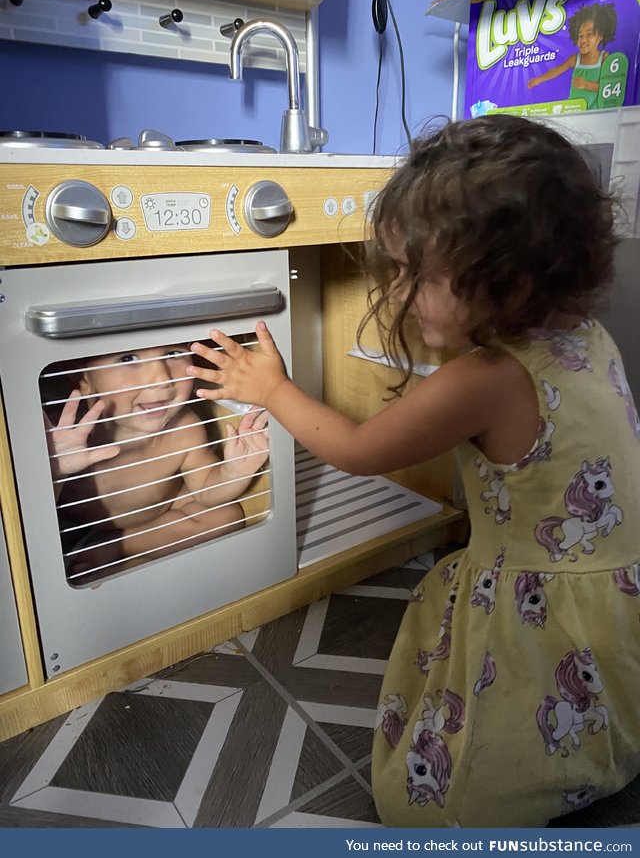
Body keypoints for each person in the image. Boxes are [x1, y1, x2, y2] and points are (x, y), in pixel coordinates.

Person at [185, 114, 640, 827]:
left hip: (541, 607)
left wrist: (269, 387)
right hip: (606, 591)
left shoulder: (488, 378)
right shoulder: (585, 335)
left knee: (426, 803)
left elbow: (361, 449)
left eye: (416, 274)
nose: (395, 292)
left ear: (509, 283)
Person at [45, 342, 269, 582]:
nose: (161, 378)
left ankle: (120, 545)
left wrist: (233, 472)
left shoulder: (186, 428)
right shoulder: (62, 435)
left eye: (173, 354)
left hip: (161, 510)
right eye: (127, 358)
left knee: (227, 516)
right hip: (73, 525)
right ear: (82, 379)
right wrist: (56, 470)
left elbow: (205, 488)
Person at [527, 3, 618, 109]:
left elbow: (608, 88)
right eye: (580, 36)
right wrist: (539, 79)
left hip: (594, 112)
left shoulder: (604, 58)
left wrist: (586, 84)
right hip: (574, 109)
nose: (583, 40)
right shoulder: (575, 59)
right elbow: (556, 70)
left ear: (601, 35)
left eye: (589, 34)